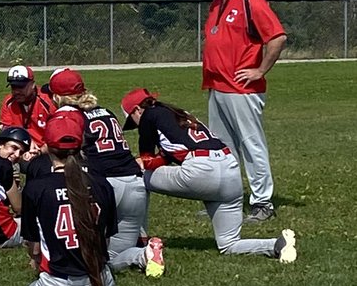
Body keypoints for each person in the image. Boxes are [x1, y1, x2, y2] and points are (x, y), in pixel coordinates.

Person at [120, 87, 296, 262]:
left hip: (201, 170)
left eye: (132, 120)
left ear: (137, 110)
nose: (135, 125)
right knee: (229, 244)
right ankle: (276, 245)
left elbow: (147, 161)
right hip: (229, 169)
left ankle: (140, 241)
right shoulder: (176, 113)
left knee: (137, 175)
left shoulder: (148, 116)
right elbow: (171, 153)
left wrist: (135, 162)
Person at [46, 67, 164, 278]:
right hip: (135, 183)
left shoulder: (67, 114)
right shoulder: (105, 111)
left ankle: (142, 254)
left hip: (104, 186)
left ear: (57, 96)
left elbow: (61, 148)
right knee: (114, 253)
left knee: (97, 261)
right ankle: (145, 252)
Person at [203, 0, 287, 221]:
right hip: (217, 85)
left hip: (242, 88)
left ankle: (263, 203)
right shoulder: (218, 1)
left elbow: (277, 37)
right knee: (222, 149)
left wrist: (260, 70)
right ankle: (227, 201)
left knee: (251, 146)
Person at [20, 110, 120, 286]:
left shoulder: (36, 188)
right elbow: (107, 240)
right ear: (81, 143)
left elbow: (34, 248)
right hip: (100, 284)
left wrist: (37, 261)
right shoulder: (102, 184)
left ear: (47, 145)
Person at [0, 65, 57, 157]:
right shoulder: (9, 102)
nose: (17, 91)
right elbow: (6, 131)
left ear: (32, 85)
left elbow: (57, 136)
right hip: (19, 149)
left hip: (47, 150)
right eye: (13, 87)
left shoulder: (48, 103)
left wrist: (40, 151)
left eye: (21, 87)